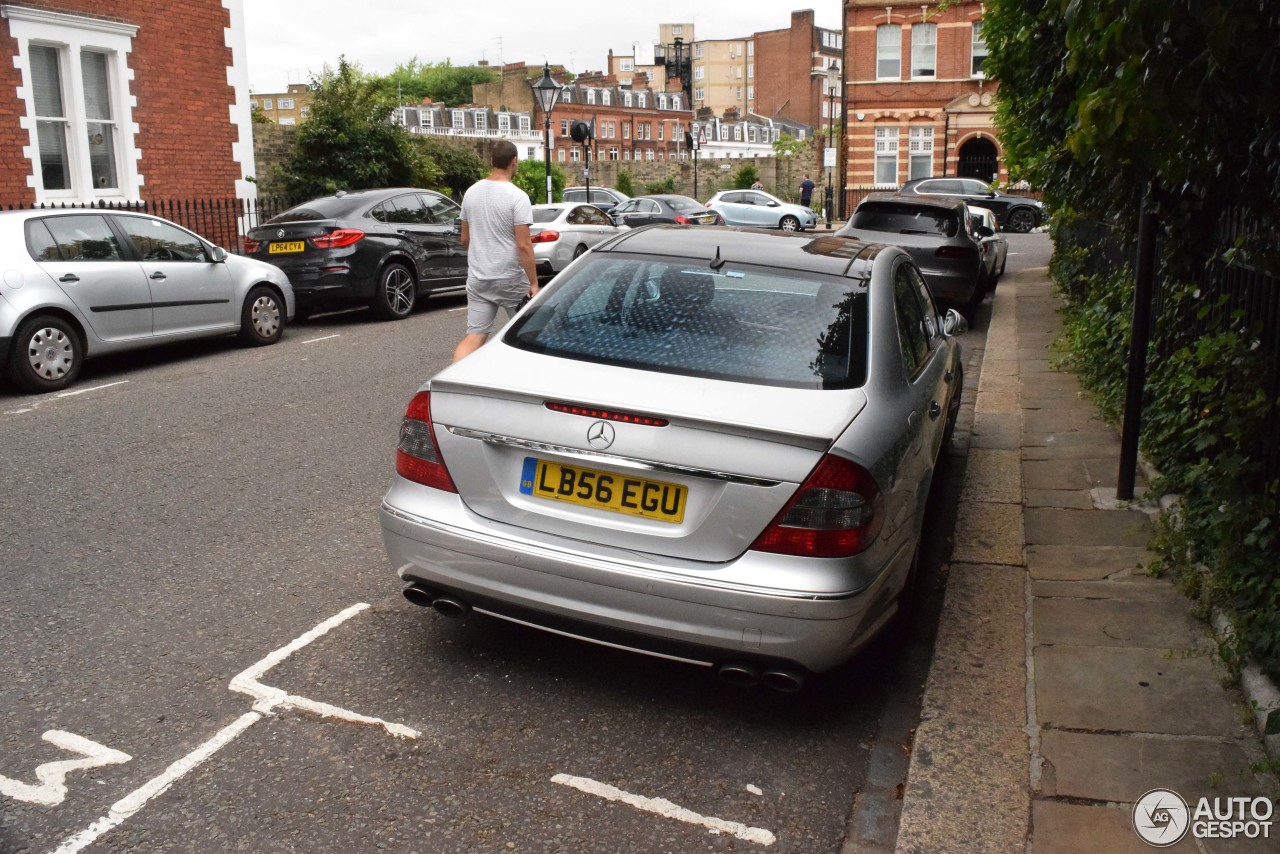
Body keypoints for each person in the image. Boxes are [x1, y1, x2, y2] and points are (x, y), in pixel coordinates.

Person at [451, 140, 539, 362]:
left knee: (475, 335)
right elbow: (523, 245)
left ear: (491, 161)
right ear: (514, 162)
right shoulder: (517, 196)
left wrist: (482, 257)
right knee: (529, 333)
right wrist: (534, 283)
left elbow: (465, 238)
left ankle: (453, 378)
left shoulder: (471, 193)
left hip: (479, 277)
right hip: (509, 277)